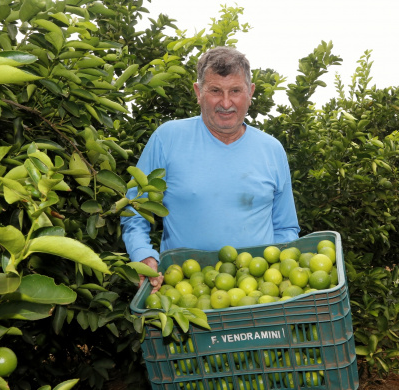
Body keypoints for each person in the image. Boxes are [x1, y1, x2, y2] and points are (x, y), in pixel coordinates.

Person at [121, 47, 300, 293]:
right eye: (215, 91)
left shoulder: (272, 150)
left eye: (235, 91)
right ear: (198, 92)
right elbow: (135, 209)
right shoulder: (167, 139)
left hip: (258, 296)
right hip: (184, 291)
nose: (226, 103)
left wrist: (278, 276)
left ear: (250, 92)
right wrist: (143, 254)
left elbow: (286, 227)